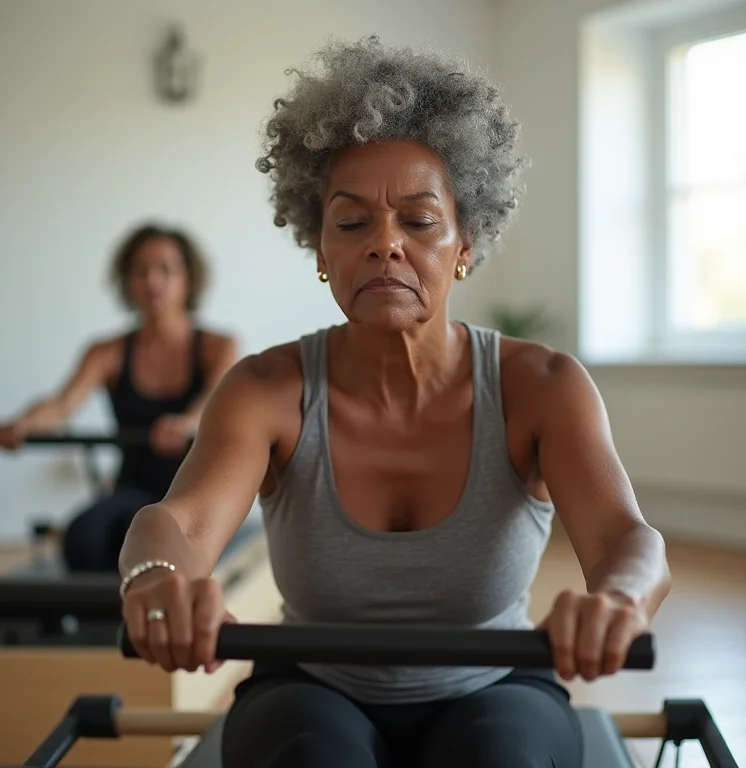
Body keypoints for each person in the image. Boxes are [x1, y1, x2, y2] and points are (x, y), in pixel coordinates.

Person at [117, 38, 671, 768]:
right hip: (309, 689)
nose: (385, 245)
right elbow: (177, 524)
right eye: (351, 224)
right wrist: (155, 580)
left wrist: (620, 603)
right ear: (319, 248)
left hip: (498, 685)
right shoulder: (265, 390)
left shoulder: (544, 386)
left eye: (418, 220)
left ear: (465, 241)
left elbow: (626, 543)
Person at [0, 223, 238, 572]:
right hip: (135, 488)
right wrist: (23, 424)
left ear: (188, 279)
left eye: (166, 269)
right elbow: (61, 405)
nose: (153, 281)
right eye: (140, 271)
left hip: (196, 488)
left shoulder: (219, 346)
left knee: (155, 541)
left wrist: (186, 423)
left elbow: (214, 398)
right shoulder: (106, 352)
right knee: (84, 538)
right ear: (127, 281)